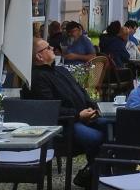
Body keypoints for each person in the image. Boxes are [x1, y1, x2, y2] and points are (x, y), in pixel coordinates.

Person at [25, 38, 104, 179]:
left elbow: (81, 90)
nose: (53, 49)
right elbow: (48, 108)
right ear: (39, 56)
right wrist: (78, 115)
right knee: (97, 138)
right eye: (48, 48)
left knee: (112, 127)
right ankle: (92, 175)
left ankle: (96, 171)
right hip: (63, 125)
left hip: (83, 117)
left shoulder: (60, 70)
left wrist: (92, 106)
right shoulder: (37, 78)